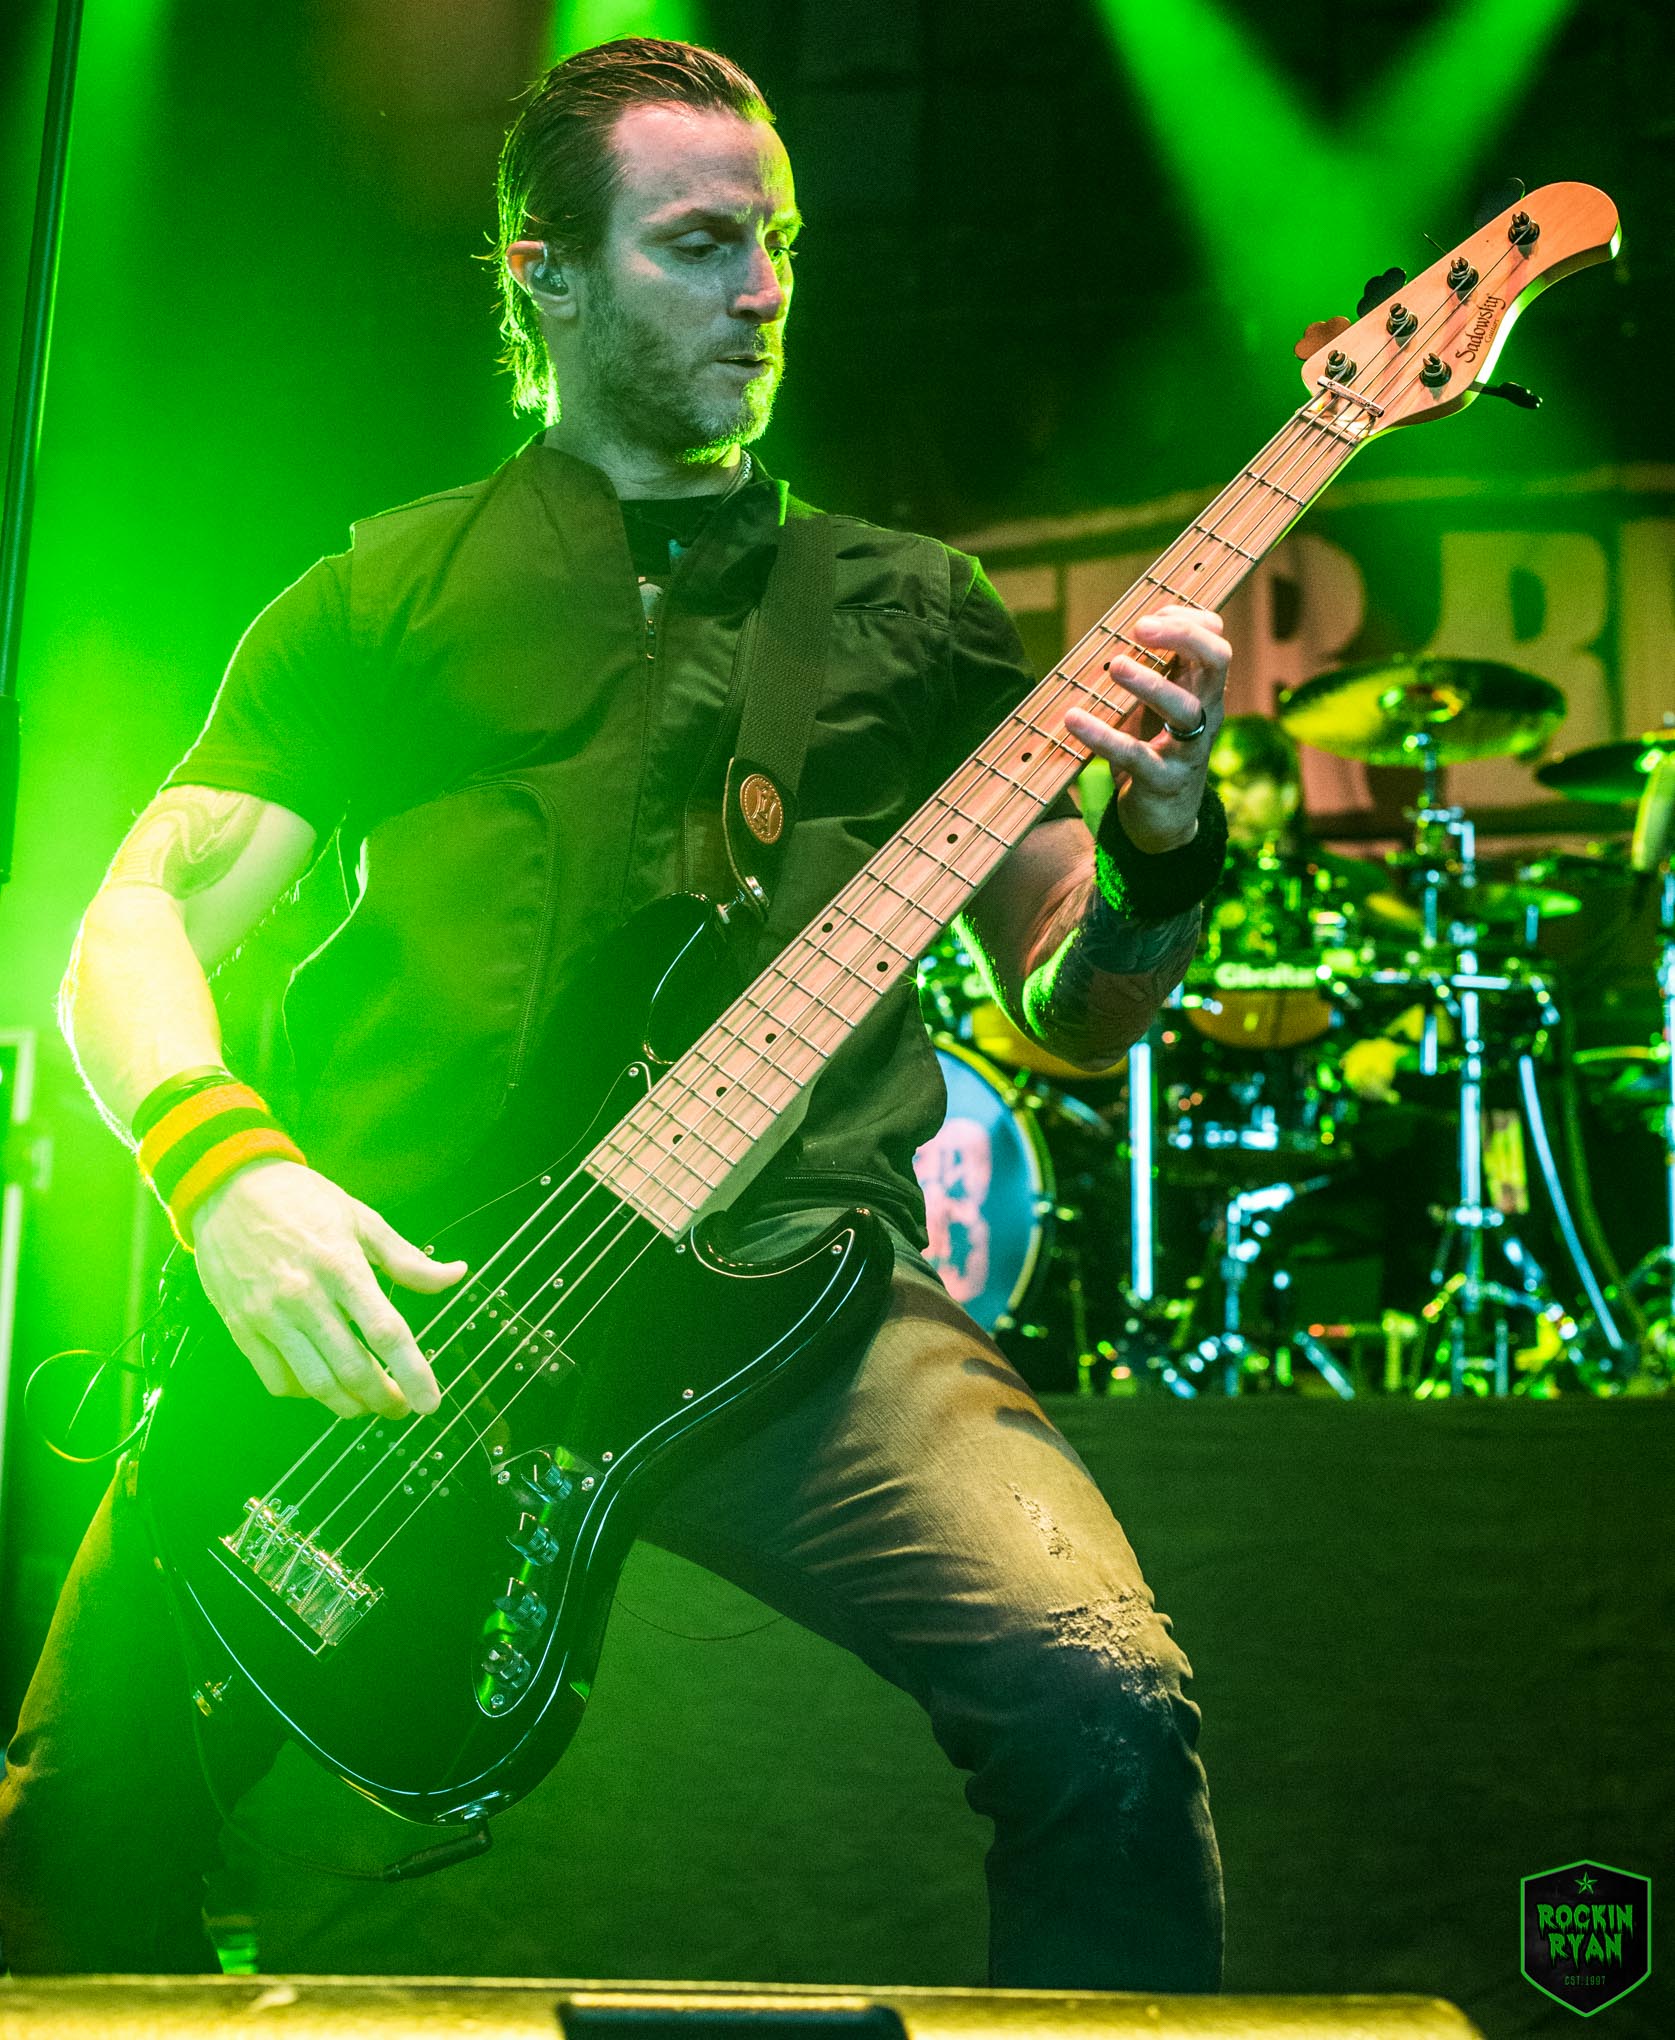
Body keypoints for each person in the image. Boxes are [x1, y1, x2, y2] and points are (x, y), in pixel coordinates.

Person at [0, 40, 1233, 1989]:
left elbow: (1077, 1014)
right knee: (77, 1825)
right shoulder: (382, 596)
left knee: (1106, 1706)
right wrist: (224, 1173)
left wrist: (1164, 852)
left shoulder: (910, 611)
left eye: (780, 243)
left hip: (797, 1301)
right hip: (408, 1300)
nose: (762, 290)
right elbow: (130, 921)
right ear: (545, 273)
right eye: (698, 243)